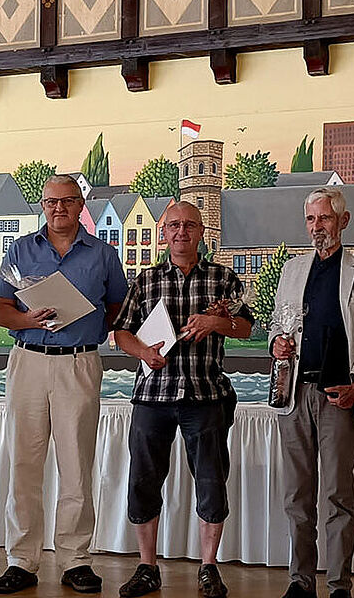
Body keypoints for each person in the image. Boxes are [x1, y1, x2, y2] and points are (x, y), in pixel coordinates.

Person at [0, 175, 128, 595]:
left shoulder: (103, 254)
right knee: (24, 464)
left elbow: (118, 307)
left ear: (80, 204)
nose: (59, 208)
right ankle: (22, 559)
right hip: (28, 361)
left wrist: (91, 329)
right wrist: (27, 320)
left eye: (68, 201)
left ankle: (75, 559)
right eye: (51, 202)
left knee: (76, 465)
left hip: (79, 363)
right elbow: (0, 310)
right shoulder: (20, 249)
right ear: (43, 205)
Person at [110, 201, 254, 598]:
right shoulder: (145, 280)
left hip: (206, 395)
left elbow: (245, 329)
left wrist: (216, 322)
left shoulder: (223, 279)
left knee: (211, 481)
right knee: (143, 479)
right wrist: (143, 352)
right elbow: (121, 332)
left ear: (202, 232)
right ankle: (146, 566)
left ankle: (209, 567)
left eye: (190, 225)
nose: (181, 232)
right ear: (163, 233)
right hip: (152, 396)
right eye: (173, 225)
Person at [268, 188, 354, 598]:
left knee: (338, 495)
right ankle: (300, 582)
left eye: (324, 219)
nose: (317, 227)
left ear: (343, 221)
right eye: (311, 219)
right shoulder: (290, 270)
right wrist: (276, 345)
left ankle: (339, 585)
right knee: (296, 496)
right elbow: (275, 327)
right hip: (295, 396)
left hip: (342, 397)